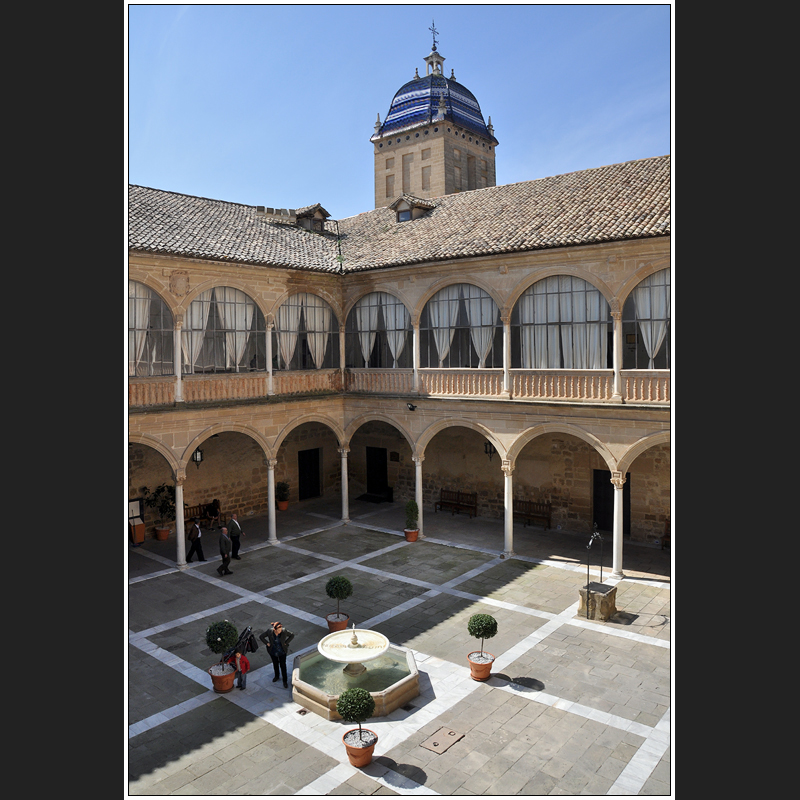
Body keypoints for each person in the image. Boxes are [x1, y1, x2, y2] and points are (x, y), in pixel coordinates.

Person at [259, 621, 294, 688]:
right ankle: (276, 676)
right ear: (275, 630)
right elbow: (261, 636)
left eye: (280, 630)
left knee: (283, 666)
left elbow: (292, 635)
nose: (280, 631)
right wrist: (267, 643)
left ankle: (285, 681)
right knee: (275, 664)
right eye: (278, 630)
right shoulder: (270, 631)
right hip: (273, 651)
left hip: (282, 652)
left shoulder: (284, 631)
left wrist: (286, 642)